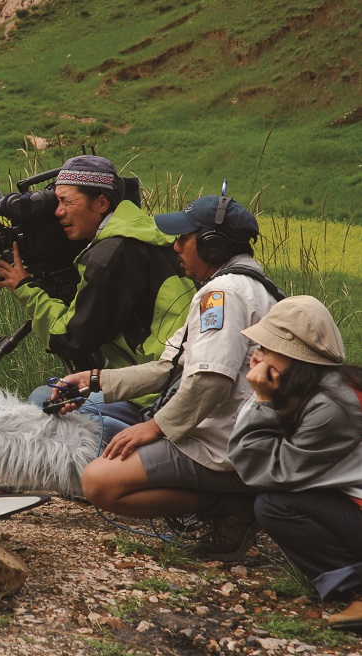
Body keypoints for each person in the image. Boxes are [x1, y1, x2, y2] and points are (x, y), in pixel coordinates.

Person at [56, 194, 283, 561]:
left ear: (212, 245)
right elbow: (168, 367)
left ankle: (231, 505)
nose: (174, 246)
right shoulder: (242, 285)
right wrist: (95, 380)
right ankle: (233, 501)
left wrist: (155, 427)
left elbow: (211, 380)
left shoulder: (222, 293)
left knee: (100, 483)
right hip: (235, 438)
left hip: (226, 448)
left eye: (184, 238)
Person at [0, 155, 194, 419]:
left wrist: (25, 287)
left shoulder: (110, 254)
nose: (57, 212)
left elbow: (72, 338)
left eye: (66, 201)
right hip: (176, 374)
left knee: (44, 401)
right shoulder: (142, 230)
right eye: (56, 201)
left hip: (155, 392)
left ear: (101, 202)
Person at [226, 296, 362, 631]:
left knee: (275, 505)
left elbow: (261, 471)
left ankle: (357, 587)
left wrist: (261, 400)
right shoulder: (325, 389)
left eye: (266, 349)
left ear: (294, 359)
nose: (256, 355)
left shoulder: (329, 408)